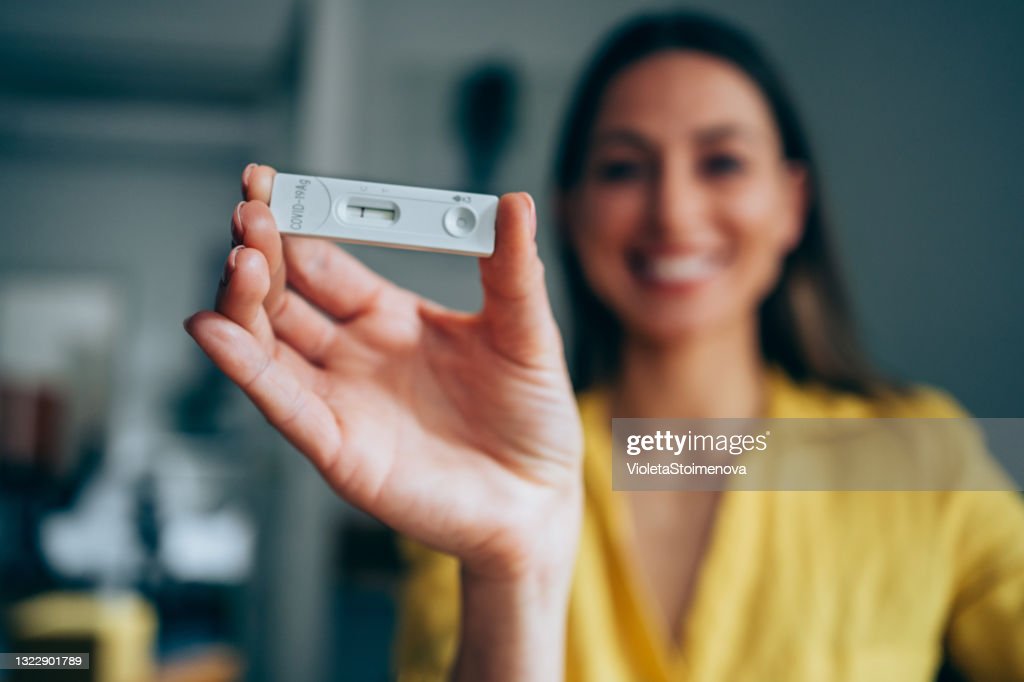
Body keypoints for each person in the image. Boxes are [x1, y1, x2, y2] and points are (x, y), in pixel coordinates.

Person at [185, 10, 1024, 682]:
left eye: (722, 163)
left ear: (791, 205)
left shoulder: (921, 455)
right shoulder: (480, 456)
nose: (674, 213)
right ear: (570, 209)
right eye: (624, 168)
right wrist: (511, 565)